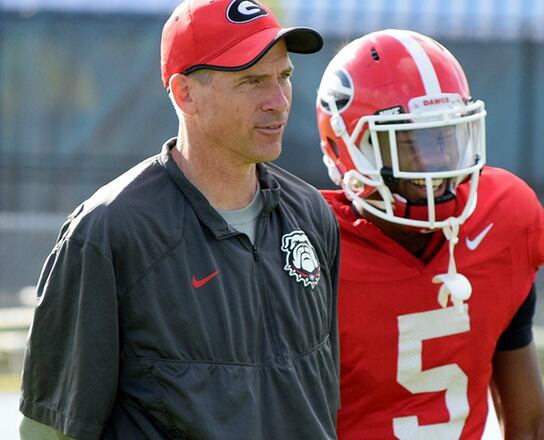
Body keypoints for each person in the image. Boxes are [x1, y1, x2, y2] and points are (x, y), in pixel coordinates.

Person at [19, 1, 340, 438]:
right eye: (252, 81)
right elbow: (50, 430)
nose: (279, 102)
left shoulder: (312, 213)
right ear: (185, 93)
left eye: (284, 77)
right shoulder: (108, 232)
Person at [315, 29, 544, 439]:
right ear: (347, 147)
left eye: (445, 138)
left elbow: (532, 423)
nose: (437, 166)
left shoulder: (501, 219)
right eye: (411, 143)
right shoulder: (309, 247)